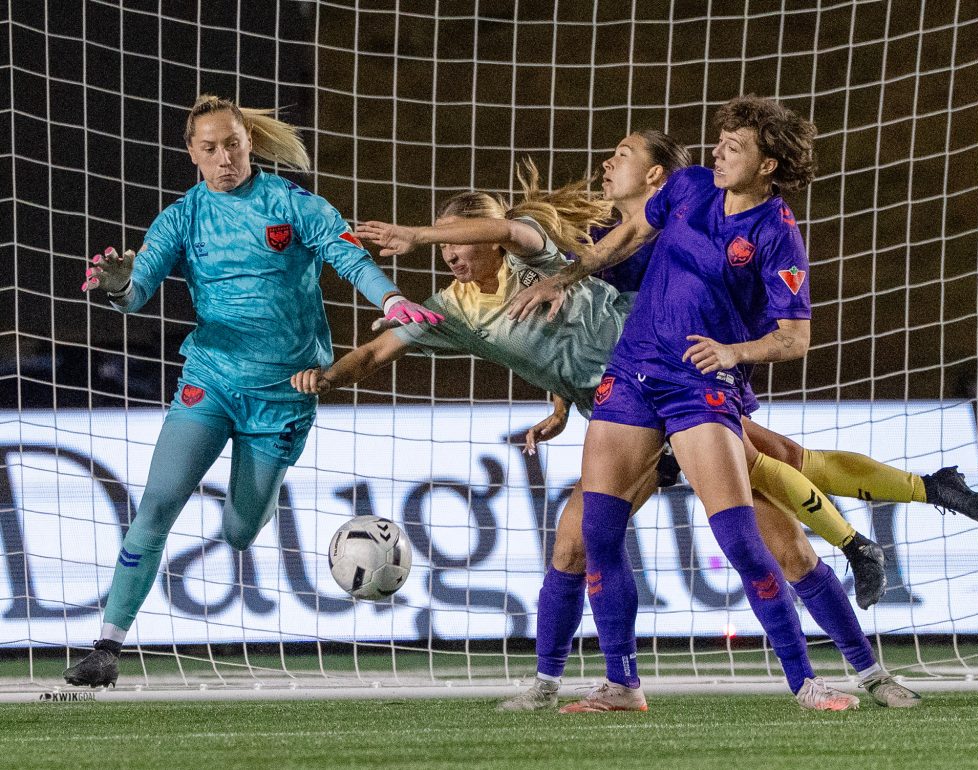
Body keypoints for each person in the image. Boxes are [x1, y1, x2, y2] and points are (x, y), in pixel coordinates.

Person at [295, 142, 917, 711]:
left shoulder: (536, 251)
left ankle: (866, 661)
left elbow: (514, 232)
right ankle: (568, 683)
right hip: (622, 408)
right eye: (445, 247)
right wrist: (325, 377)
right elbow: (380, 352)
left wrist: (416, 233)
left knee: (781, 535)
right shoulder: (456, 310)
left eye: (459, 240)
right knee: (575, 545)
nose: (451, 253)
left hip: (680, 384)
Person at [64, 94, 442, 688]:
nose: (224, 158)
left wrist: (392, 299)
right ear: (192, 154)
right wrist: (119, 287)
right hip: (210, 382)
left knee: (239, 533)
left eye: (233, 145)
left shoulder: (294, 205)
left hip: (286, 394)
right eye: (210, 148)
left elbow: (349, 259)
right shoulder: (181, 218)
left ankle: (252, 500)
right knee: (157, 505)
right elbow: (137, 291)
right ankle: (106, 647)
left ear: (250, 145)